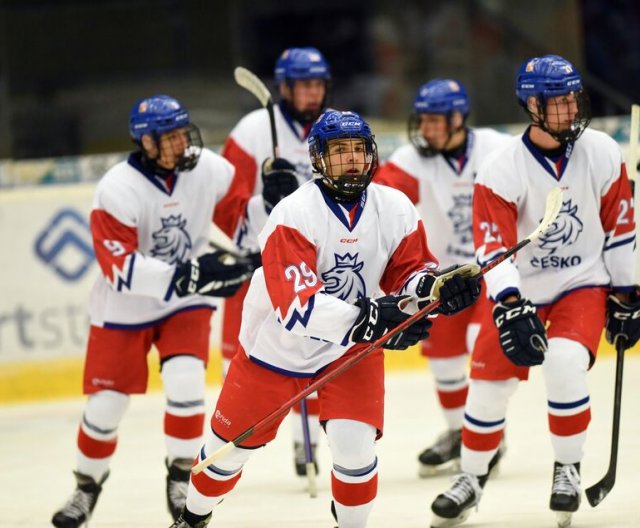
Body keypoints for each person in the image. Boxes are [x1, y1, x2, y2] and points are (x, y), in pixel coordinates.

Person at [168, 110, 482, 528]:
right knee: (228, 451)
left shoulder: (394, 207)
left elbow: (409, 273)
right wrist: (372, 318)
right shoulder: (293, 214)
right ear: (318, 159)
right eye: (339, 151)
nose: (351, 159)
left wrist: (435, 289)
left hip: (349, 349)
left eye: (358, 149)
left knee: (356, 450)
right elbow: (298, 306)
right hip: (277, 350)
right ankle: (192, 518)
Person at [429, 55, 640, 528]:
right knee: (485, 386)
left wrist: (628, 293)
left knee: (565, 363)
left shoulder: (603, 151)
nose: (569, 108)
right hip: (519, 289)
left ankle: (567, 467)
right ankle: (471, 477)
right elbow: (493, 246)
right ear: (531, 105)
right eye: (556, 101)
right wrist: (507, 302)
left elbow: (621, 228)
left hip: (580, 283)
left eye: (572, 98)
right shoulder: (501, 168)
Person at [51, 95, 255, 527]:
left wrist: (270, 201)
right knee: (105, 406)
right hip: (124, 307)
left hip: (185, 303)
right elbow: (121, 269)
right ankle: (86, 486)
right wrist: (195, 273)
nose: (182, 144)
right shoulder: (116, 190)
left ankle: (180, 475)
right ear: (145, 141)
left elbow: (241, 222)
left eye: (184, 133)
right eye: (170, 137)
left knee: (185, 384)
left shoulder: (208, 168)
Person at [375, 79, 511, 477]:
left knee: (479, 346)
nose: (426, 128)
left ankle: (491, 433)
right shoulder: (412, 160)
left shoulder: (496, 149)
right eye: (423, 120)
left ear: (458, 118)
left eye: (435, 120)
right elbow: (377, 194)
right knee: (445, 361)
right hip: (445, 278)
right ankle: (458, 432)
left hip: (494, 267)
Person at [221, 46, 331, 476]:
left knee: (322, 351)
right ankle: (236, 446)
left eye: (318, 83)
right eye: (303, 85)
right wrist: (261, 203)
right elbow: (226, 209)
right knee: (259, 357)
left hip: (321, 261)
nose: (312, 92)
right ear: (284, 88)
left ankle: (312, 444)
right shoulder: (252, 131)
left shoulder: (334, 127)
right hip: (263, 264)